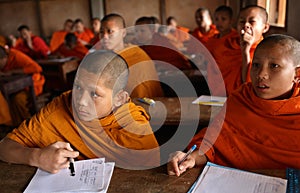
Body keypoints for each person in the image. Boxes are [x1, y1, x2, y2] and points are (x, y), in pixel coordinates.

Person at [0, 50, 160, 173]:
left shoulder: (133, 126)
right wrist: (37, 157)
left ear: (120, 99)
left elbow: (152, 176)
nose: (80, 101)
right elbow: (5, 147)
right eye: (77, 87)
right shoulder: (62, 105)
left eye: (94, 94)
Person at [167, 34, 300, 176]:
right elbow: (214, 142)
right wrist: (191, 157)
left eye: (274, 66)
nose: (261, 74)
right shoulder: (241, 99)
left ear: (297, 74)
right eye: (256, 65)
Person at [206, 5, 269, 96]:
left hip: (245, 101)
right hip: (220, 96)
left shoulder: (267, 51)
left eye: (252, 21)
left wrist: (245, 52)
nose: (246, 25)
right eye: (242, 21)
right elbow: (213, 73)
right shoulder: (225, 44)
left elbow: (250, 86)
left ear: (265, 27)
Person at [97, 13, 164, 98]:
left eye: (110, 31)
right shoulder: (101, 56)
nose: (105, 36)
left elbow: (140, 92)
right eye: (101, 32)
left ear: (123, 33)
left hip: (140, 106)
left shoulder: (136, 55)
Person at [0, 45, 45, 125]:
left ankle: (27, 123)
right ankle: (14, 125)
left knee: (17, 100)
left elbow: (37, 68)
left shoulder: (16, 56)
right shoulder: (4, 62)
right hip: (14, 87)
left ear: (4, 58)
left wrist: (13, 72)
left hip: (32, 85)